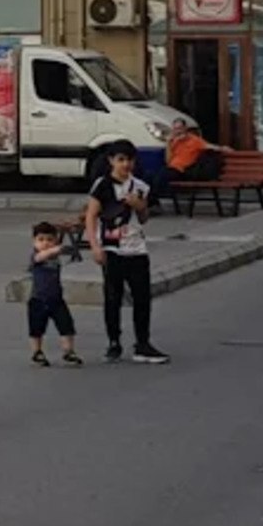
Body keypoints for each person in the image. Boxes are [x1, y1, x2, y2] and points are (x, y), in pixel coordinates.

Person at [84, 141, 169, 364]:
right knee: (113, 297)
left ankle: (143, 343)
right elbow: (91, 216)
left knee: (142, 298)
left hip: (136, 248)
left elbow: (144, 218)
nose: (125, 164)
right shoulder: (102, 185)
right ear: (111, 161)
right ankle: (114, 341)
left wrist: (140, 206)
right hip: (112, 248)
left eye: (129, 160)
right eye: (120, 160)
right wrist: (95, 246)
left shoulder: (140, 186)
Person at [27, 221, 82, 367]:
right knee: (36, 328)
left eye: (49, 239)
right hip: (38, 299)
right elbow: (42, 256)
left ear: (55, 240)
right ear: (34, 242)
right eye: (41, 240)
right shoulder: (36, 256)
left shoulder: (55, 258)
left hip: (56, 299)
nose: (45, 243)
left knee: (66, 325)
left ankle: (68, 350)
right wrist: (56, 249)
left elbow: (66, 253)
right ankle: (37, 351)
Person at [146, 119, 224, 214]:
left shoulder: (194, 140)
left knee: (161, 177)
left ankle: (153, 204)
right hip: (171, 169)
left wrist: (223, 148)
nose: (178, 131)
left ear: (185, 128)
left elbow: (209, 146)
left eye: (180, 128)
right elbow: (168, 161)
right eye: (175, 129)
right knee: (148, 176)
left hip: (183, 171)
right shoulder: (174, 142)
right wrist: (168, 144)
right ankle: (153, 204)